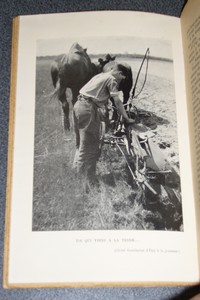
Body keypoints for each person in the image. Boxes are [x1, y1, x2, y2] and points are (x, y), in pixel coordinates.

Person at [73, 63, 135, 188]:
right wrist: (127, 118)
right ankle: (85, 181)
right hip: (88, 109)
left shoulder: (101, 75)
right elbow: (117, 102)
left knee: (81, 142)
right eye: (122, 78)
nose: (120, 81)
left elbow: (99, 98)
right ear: (118, 73)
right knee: (90, 145)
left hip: (79, 105)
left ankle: (76, 171)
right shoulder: (112, 79)